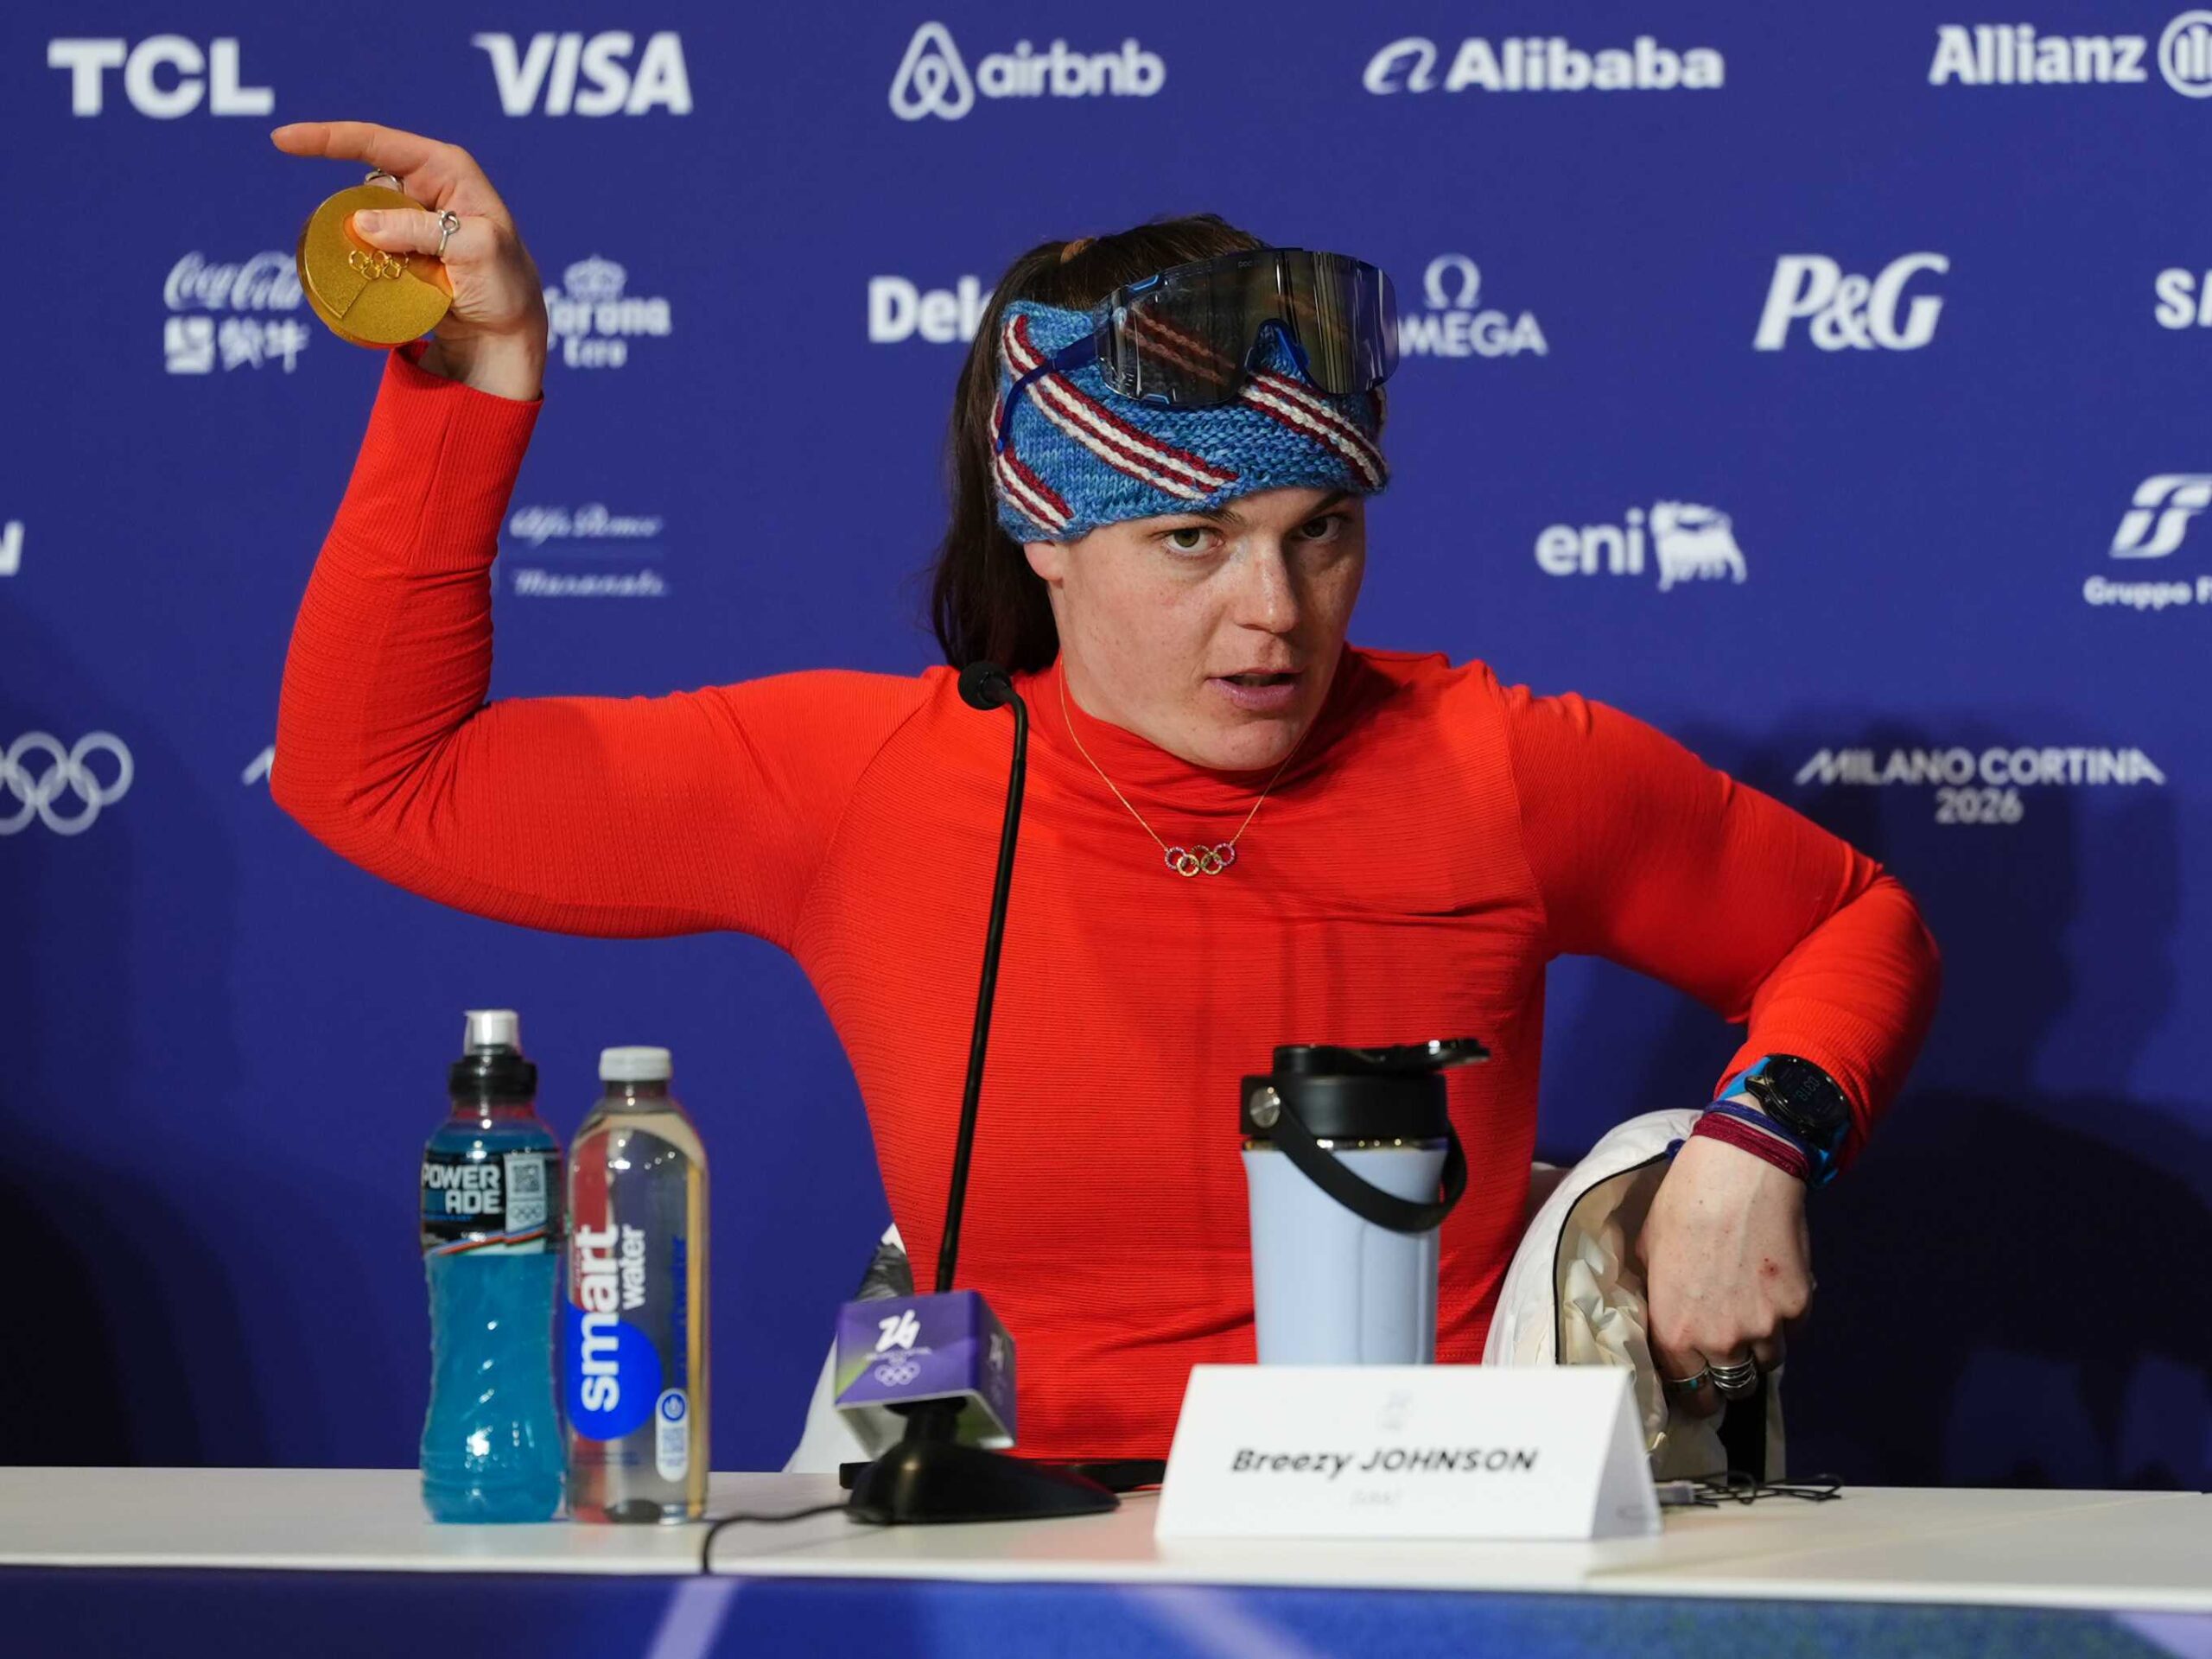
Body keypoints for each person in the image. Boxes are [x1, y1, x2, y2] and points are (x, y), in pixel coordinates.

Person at [267, 121, 1942, 1464]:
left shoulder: (1492, 763)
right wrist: (462, 385)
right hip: (1004, 1542)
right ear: (1044, 534)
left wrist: (1753, 1138)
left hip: (1417, 1548)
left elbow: (1849, 923)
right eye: (1191, 542)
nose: (1272, 616)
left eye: (1319, 535)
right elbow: (376, 777)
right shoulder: (864, 781)